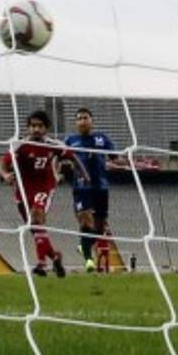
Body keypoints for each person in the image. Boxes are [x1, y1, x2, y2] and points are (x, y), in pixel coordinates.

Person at [0, 110, 83, 278]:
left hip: (45, 187)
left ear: (46, 128)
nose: (36, 129)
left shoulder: (53, 144)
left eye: (40, 126)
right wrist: (5, 175)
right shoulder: (19, 145)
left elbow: (73, 157)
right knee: (36, 230)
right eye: (33, 126)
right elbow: (2, 163)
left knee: (37, 216)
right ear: (28, 128)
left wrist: (84, 176)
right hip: (23, 191)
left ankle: (41, 264)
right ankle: (55, 257)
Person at [65, 107, 117, 273]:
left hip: (101, 187)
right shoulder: (70, 140)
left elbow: (115, 156)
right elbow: (59, 158)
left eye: (85, 118)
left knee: (100, 227)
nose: (82, 121)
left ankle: (83, 245)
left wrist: (125, 161)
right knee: (85, 219)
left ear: (91, 121)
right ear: (76, 122)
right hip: (81, 187)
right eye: (79, 118)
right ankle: (88, 260)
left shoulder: (101, 138)